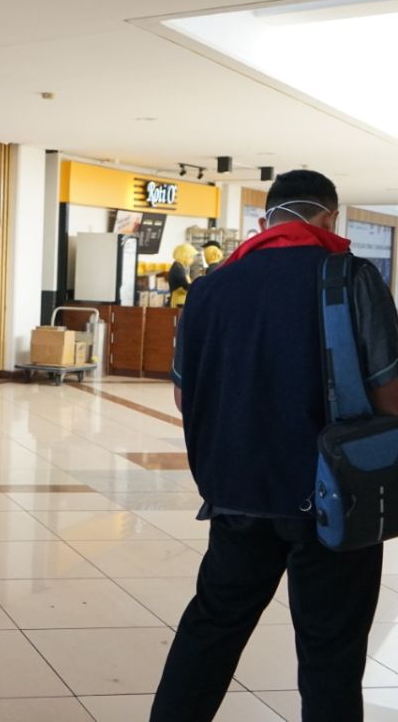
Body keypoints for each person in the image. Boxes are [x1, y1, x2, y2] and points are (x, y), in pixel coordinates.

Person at [150, 170, 398, 722]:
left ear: (266, 222)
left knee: (211, 629)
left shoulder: (210, 287)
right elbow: (389, 392)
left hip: (237, 496)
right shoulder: (351, 277)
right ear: (329, 218)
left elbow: (184, 397)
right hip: (336, 500)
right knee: (329, 652)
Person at [168, 242, 197, 306]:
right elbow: (186, 286)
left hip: (182, 300)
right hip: (178, 302)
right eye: (191, 257)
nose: (193, 259)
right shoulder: (177, 268)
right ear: (185, 256)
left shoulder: (181, 267)